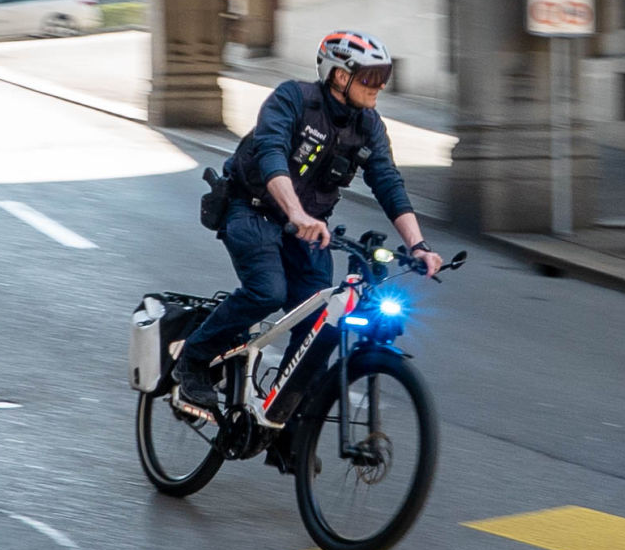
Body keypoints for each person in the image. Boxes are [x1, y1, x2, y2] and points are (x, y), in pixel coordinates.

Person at [174, 29, 444, 411]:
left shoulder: (368, 126)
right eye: (370, 77)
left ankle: (284, 419)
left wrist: (418, 245)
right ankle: (193, 360)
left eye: (384, 77)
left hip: (308, 229)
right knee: (268, 291)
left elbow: (387, 181)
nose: (379, 86)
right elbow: (271, 154)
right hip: (250, 209)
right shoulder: (293, 99)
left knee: (322, 324)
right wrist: (296, 212)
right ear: (339, 75)